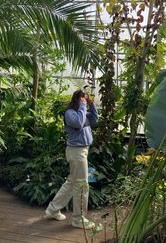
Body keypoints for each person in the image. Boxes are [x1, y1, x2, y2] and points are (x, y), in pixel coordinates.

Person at [45, 89, 98, 229]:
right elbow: (79, 123)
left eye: (85, 100)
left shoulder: (83, 112)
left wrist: (92, 105)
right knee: (82, 185)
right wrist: (82, 106)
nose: (84, 102)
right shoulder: (70, 114)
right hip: (76, 152)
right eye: (82, 99)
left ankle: (53, 209)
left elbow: (94, 119)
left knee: (71, 182)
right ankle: (78, 219)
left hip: (83, 151)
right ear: (77, 100)